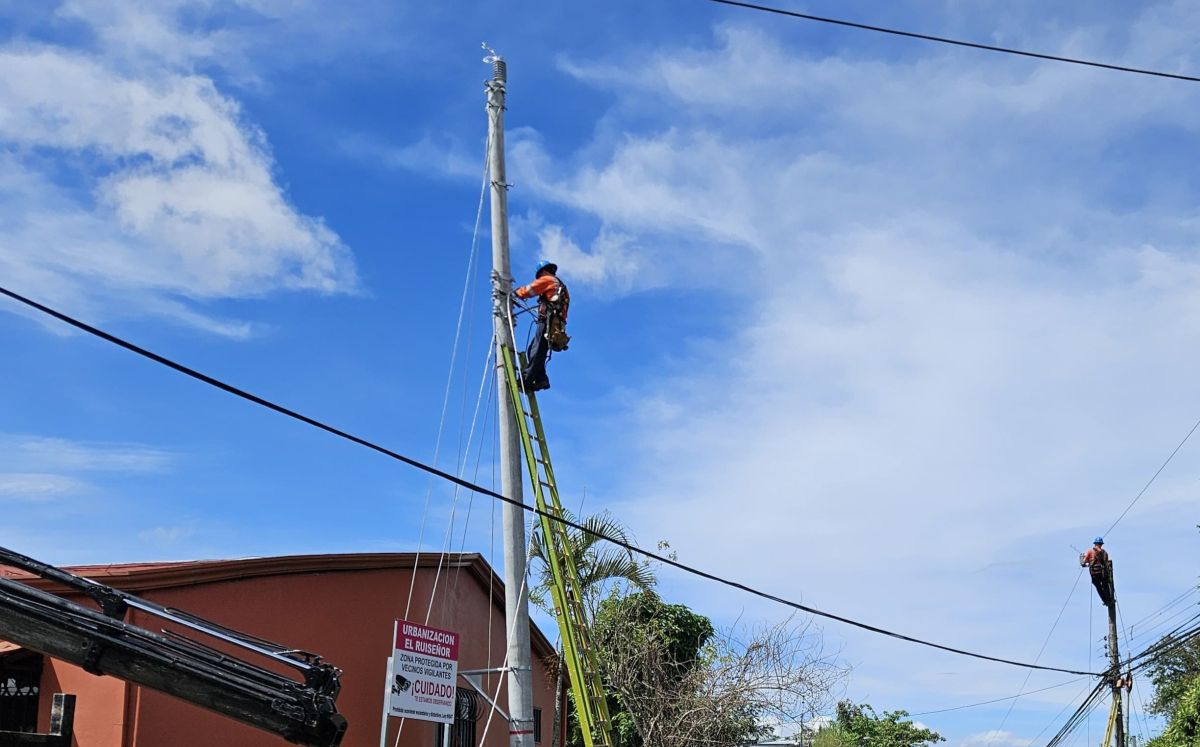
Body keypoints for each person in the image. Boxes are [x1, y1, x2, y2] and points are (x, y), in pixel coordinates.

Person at [513, 259, 569, 392]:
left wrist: (514, 293)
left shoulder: (548, 280)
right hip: (556, 323)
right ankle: (541, 379)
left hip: (549, 321)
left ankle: (526, 380)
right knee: (533, 349)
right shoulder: (559, 284)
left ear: (543, 272)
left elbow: (529, 290)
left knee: (536, 351)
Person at [1080, 536, 1114, 607]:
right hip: (1103, 573)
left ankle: (1105, 600)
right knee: (1105, 586)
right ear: (1101, 544)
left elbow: (1084, 562)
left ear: (1095, 543)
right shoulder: (1105, 553)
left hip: (1094, 574)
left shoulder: (1090, 551)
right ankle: (1108, 599)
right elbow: (1106, 563)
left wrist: (1086, 562)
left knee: (1099, 587)